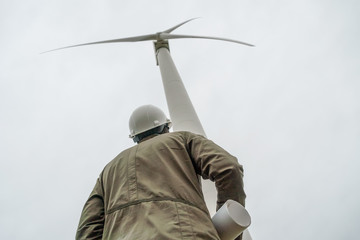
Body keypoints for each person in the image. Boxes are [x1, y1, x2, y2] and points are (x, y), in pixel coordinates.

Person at [76, 105, 246, 240]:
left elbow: (88, 229)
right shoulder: (182, 139)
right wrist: (230, 229)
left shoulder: (108, 171)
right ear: (165, 127)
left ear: (135, 137)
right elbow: (228, 168)